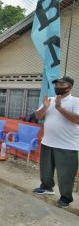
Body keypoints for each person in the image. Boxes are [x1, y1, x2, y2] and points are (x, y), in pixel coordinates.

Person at [33, 76, 79, 209]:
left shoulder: (76, 101)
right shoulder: (50, 100)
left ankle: (65, 198)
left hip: (67, 145)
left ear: (69, 87)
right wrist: (45, 107)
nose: (58, 86)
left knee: (66, 174)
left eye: (61, 84)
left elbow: (77, 119)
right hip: (48, 142)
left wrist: (60, 108)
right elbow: (37, 117)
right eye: (56, 84)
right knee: (46, 170)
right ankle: (47, 187)